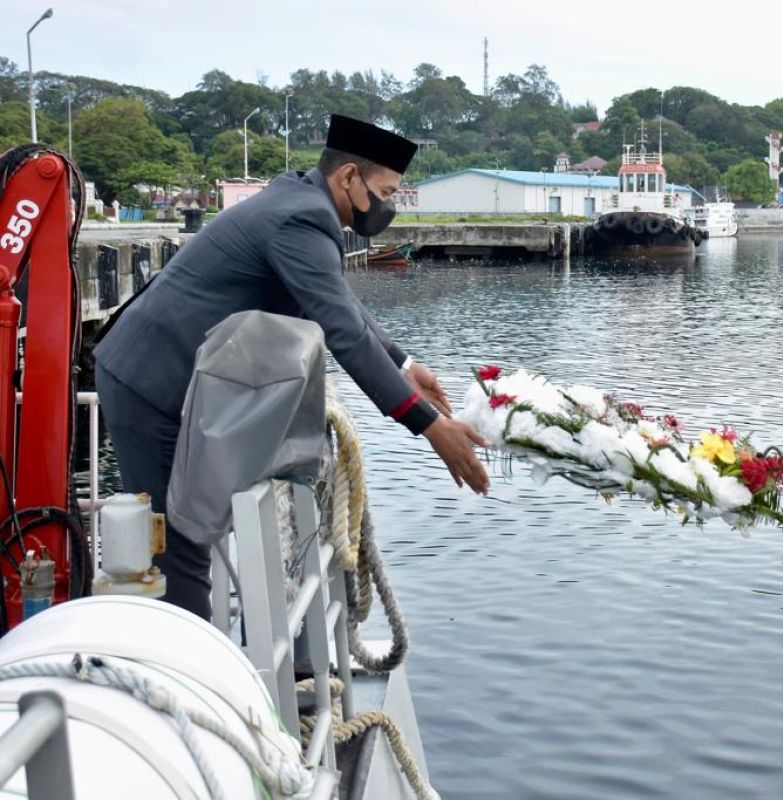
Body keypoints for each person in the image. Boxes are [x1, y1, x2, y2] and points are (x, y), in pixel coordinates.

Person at [95, 114, 490, 620]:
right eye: (386, 192)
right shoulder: (301, 219)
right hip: (150, 380)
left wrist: (403, 363)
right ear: (349, 176)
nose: (388, 205)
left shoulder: (299, 201)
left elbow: (340, 305)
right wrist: (429, 425)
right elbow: (343, 334)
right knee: (182, 541)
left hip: (168, 373)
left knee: (187, 537)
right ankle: (198, 687)